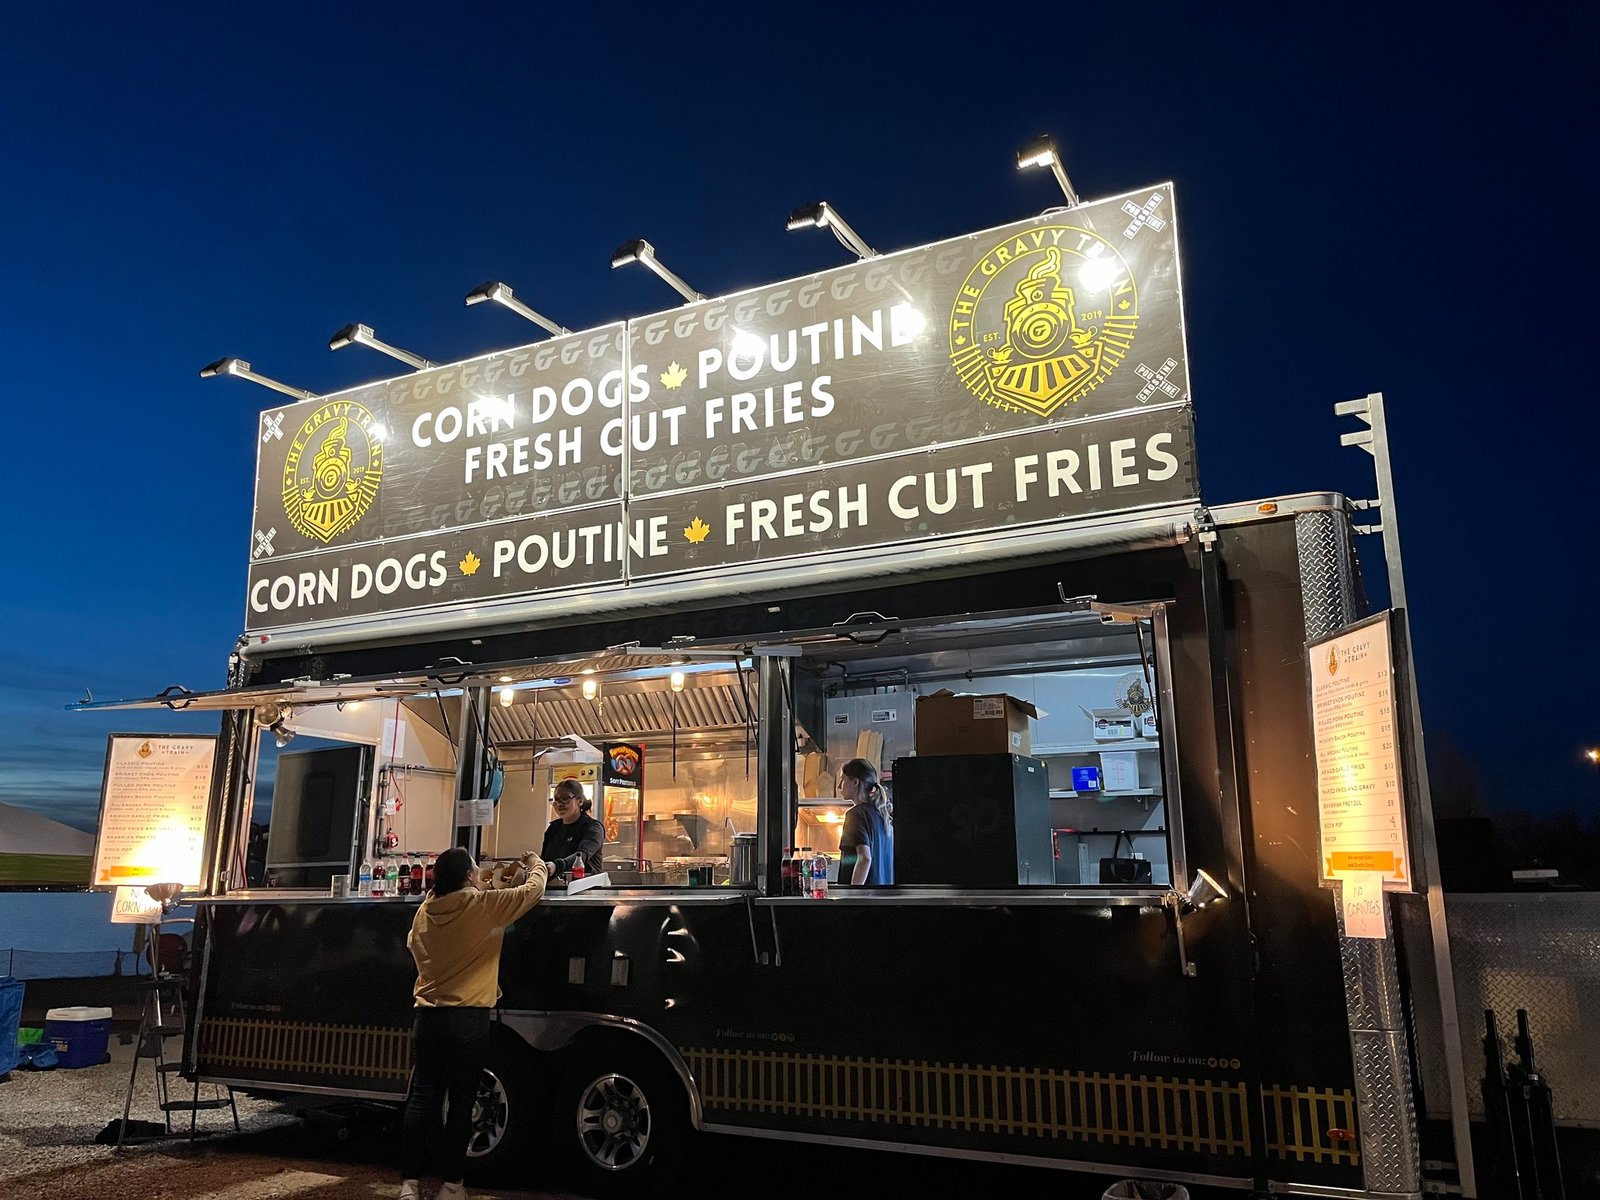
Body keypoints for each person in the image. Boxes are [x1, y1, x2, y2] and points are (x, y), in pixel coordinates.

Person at [399, 845, 546, 1200]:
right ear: (468, 877)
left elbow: (412, 945)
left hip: (428, 1016)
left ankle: (409, 1183)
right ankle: (452, 1185)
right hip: (468, 1019)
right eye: (476, 869)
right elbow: (533, 891)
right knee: (462, 1103)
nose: (479, 873)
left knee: (422, 1100)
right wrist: (534, 863)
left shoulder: (426, 910)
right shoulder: (481, 907)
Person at [835, 758, 893, 886]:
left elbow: (865, 859)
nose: (839, 786)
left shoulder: (855, 814)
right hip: (881, 900)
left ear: (855, 782)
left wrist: (854, 896)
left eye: (843, 780)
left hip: (863, 901)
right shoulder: (881, 816)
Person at [540, 778, 605, 877]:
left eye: (565, 798)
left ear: (580, 801)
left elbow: (581, 855)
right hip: (554, 889)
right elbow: (545, 859)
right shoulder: (553, 829)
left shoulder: (593, 828)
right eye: (556, 800)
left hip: (587, 888)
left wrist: (557, 866)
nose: (559, 804)